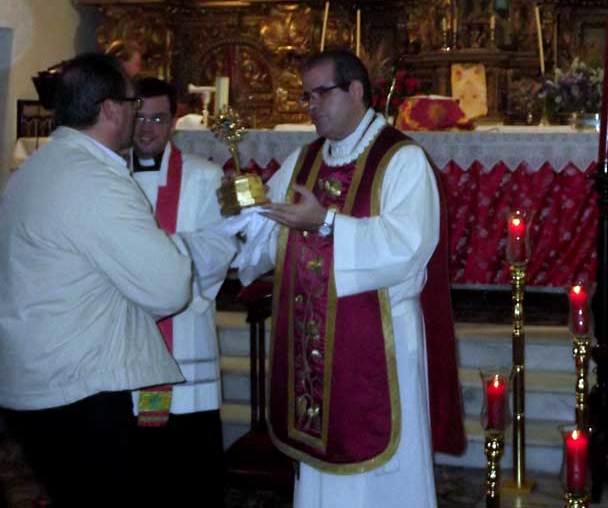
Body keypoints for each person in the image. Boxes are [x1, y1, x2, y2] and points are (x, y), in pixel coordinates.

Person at [234, 50, 464, 508]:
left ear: (356, 90)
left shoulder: (401, 159)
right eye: (306, 97)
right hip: (315, 340)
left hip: (382, 338)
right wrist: (243, 206)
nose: (312, 106)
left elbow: (407, 248)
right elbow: (269, 231)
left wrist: (325, 222)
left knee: (381, 478)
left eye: (321, 93)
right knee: (321, 471)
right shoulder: (304, 158)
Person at [0, 53, 192, 506]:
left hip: (42, 375)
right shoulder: (93, 177)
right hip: (78, 388)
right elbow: (169, 288)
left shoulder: (38, 167)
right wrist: (177, 250)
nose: (137, 114)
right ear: (110, 109)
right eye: (132, 103)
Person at [130, 77, 238, 507]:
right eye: (139, 117)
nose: (147, 128)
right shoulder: (107, 175)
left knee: (189, 471)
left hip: (185, 338)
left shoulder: (204, 176)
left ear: (174, 120)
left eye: (157, 118)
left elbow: (222, 245)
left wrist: (158, 257)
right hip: (123, 337)